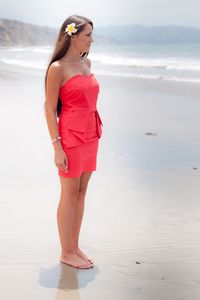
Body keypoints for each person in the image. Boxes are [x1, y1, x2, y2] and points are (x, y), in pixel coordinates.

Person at [44, 15, 103, 269]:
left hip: (91, 133)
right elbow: (49, 109)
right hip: (70, 136)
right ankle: (65, 252)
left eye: (92, 34)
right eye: (88, 34)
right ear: (73, 35)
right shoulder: (57, 68)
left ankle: (74, 245)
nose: (92, 39)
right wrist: (57, 146)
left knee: (81, 191)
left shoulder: (86, 62)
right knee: (69, 193)